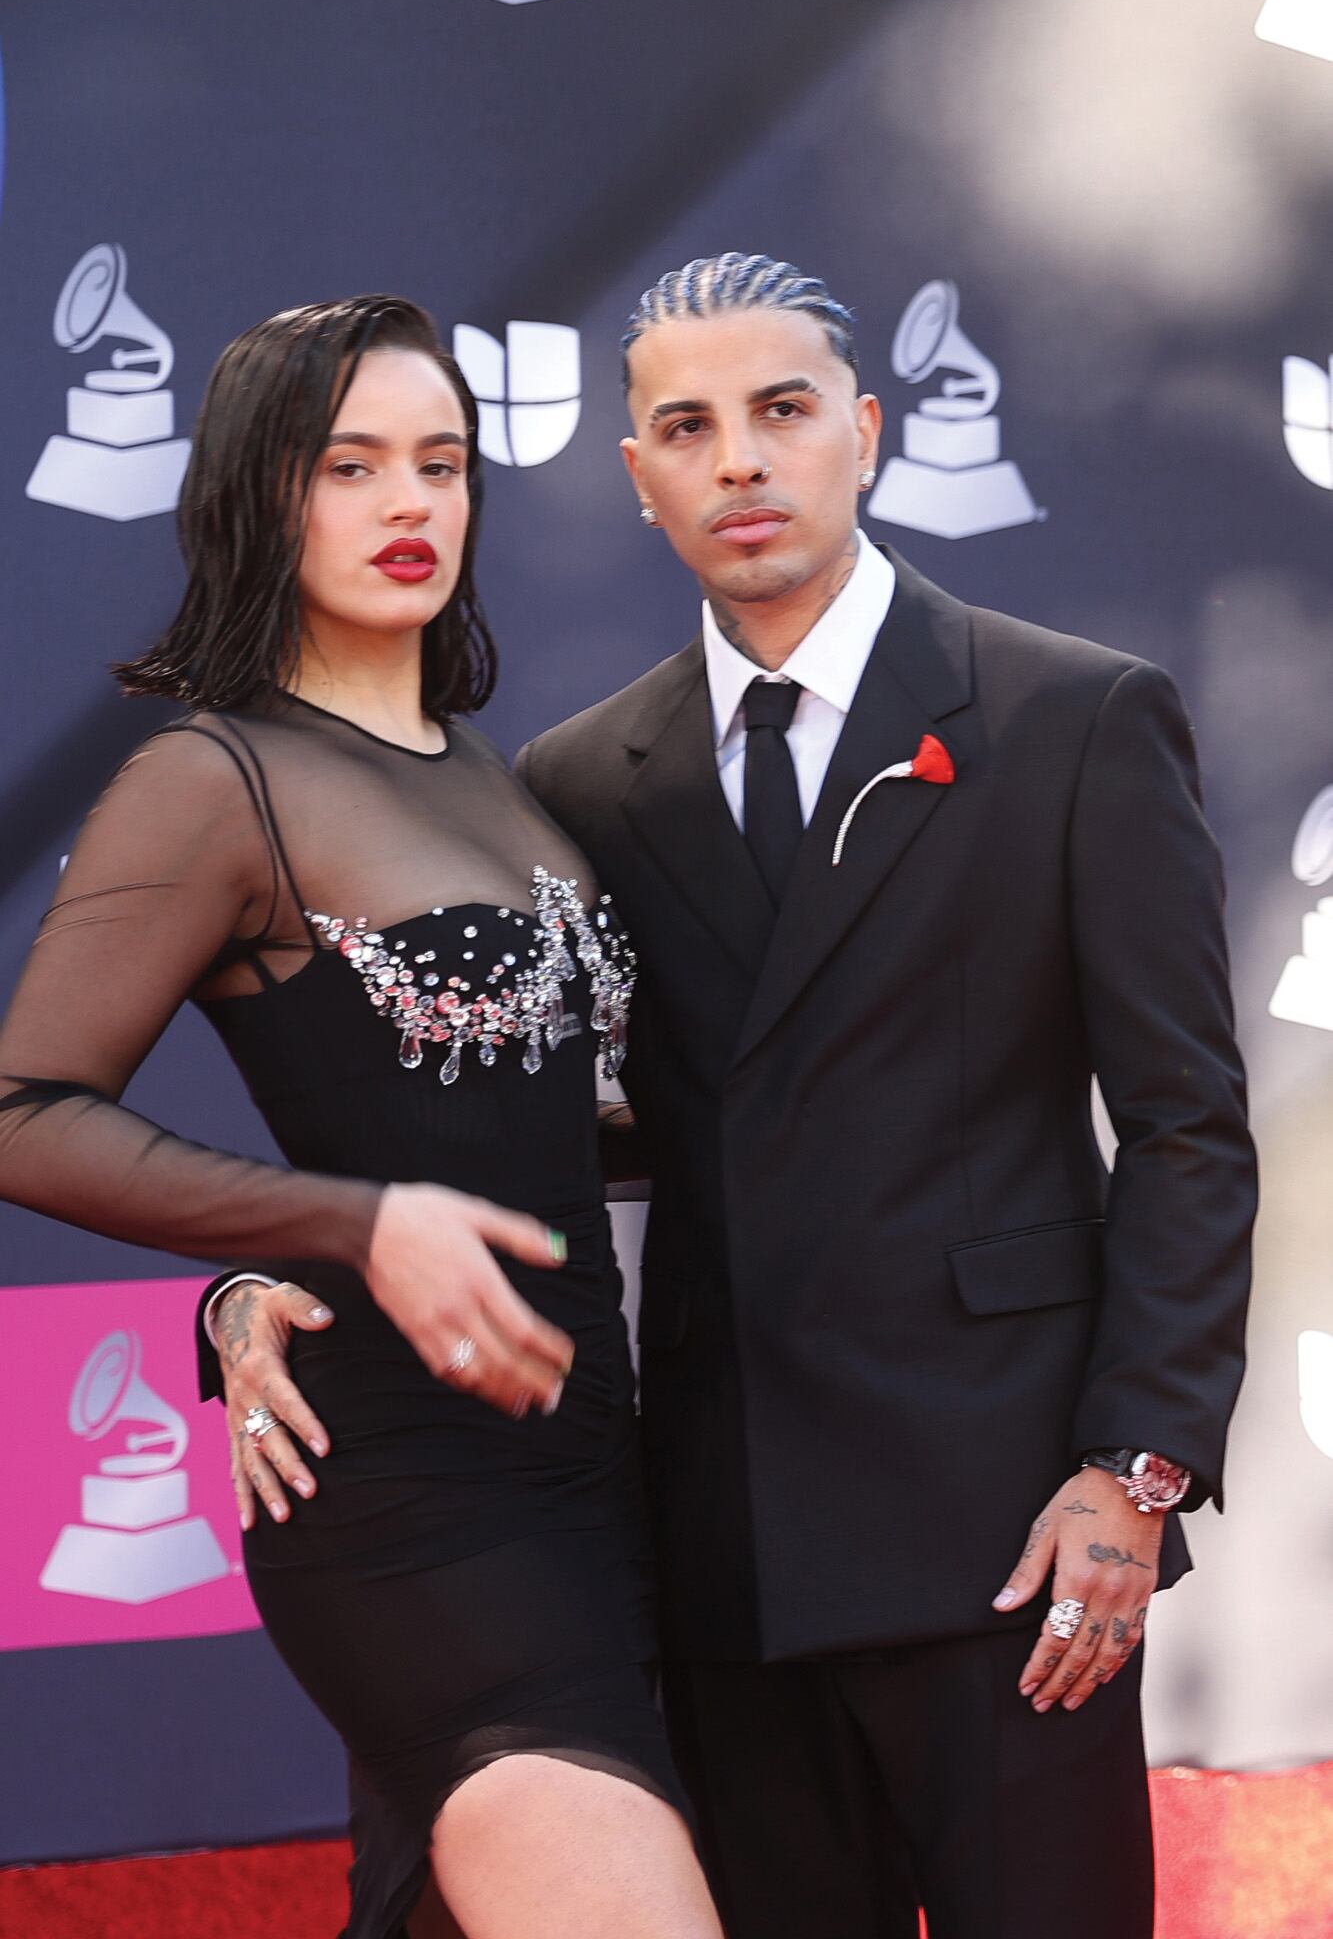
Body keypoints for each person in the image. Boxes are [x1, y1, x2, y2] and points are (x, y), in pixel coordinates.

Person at [214, 254, 1257, 1939]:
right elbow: (521, 1141)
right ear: (636, 478)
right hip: (719, 1542)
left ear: (862, 431)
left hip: (1005, 1535)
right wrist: (276, 1278)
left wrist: (1131, 1472)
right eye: (685, 429)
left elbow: (1187, 1125)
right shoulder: (576, 782)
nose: (739, 464)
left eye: (778, 414)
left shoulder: (1069, 718)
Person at [0, 295, 723, 1939]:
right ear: (263, 492)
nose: (412, 505)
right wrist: (339, 1233)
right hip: (410, 1497)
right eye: (351, 466)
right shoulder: (216, 778)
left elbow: (518, 1141)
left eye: (442, 464)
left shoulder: (493, 773)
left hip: (594, 1474)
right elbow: (22, 1108)